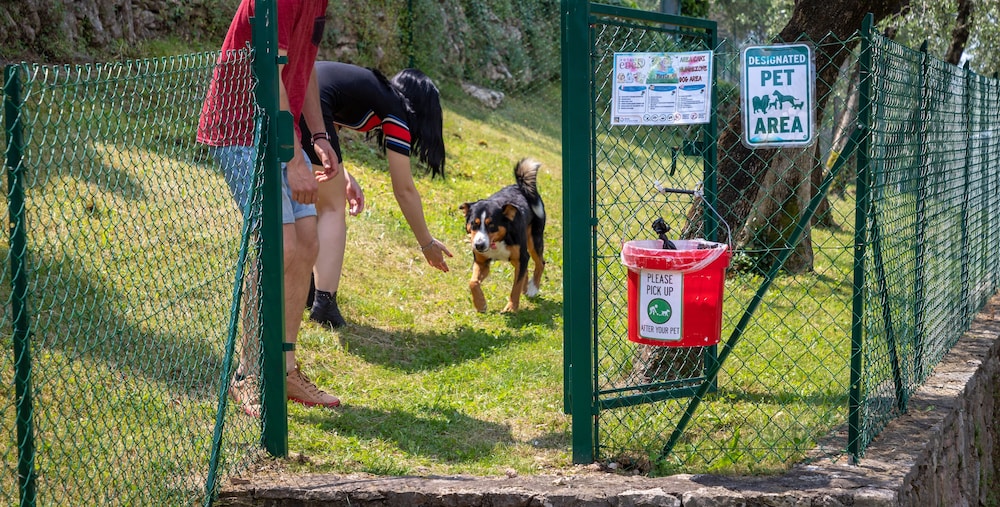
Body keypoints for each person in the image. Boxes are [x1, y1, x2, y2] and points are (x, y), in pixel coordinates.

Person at [198, 0, 342, 415]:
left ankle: (284, 368)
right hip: (241, 128)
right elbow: (268, 70)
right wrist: (295, 157)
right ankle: (248, 375)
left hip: (281, 126)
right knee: (279, 247)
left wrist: (317, 134)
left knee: (308, 242)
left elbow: (303, 65)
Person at [300, 61, 452, 327]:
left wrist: (345, 177)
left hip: (298, 92)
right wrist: (427, 243)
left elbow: (329, 127)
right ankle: (324, 304)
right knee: (332, 209)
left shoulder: (372, 91)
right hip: (310, 102)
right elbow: (404, 190)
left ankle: (309, 291)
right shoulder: (397, 110)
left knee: (317, 201)